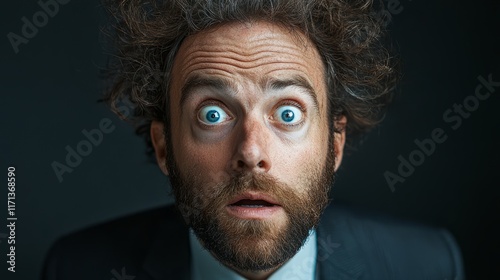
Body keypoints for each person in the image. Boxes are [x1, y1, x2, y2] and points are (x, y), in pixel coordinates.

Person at [42, 0, 465, 279]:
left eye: (287, 113)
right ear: (164, 146)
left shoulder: (426, 265)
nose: (251, 152)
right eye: (212, 114)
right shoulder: (76, 268)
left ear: (334, 144)